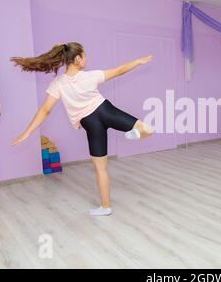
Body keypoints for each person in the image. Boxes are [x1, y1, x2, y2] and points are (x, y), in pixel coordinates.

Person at [11, 42, 154, 215]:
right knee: (147, 129)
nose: (86, 58)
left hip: (90, 123)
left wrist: (27, 132)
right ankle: (134, 134)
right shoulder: (90, 76)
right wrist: (137, 61)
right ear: (78, 58)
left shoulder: (58, 84)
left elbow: (45, 110)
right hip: (105, 111)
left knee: (101, 169)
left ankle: (106, 207)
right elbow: (119, 71)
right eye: (84, 55)